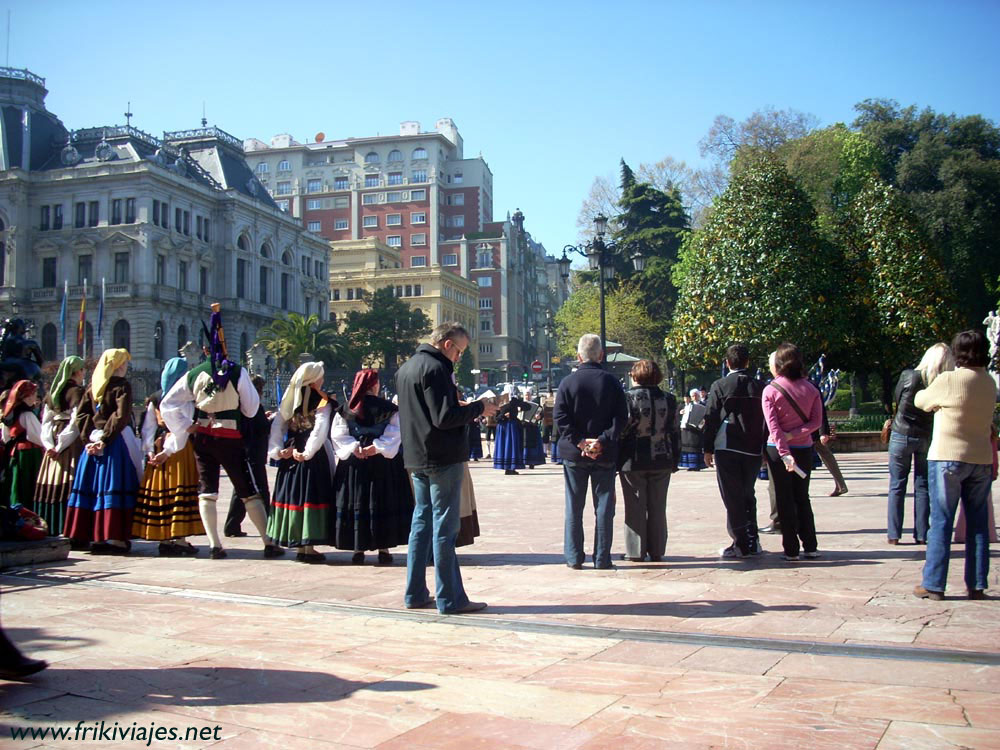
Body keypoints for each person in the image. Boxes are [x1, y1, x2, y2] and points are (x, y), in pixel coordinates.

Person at [160, 304, 283, 561]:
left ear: (205, 349)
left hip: (203, 437)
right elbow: (251, 410)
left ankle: (215, 545)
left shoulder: (193, 374)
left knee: (207, 489)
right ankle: (268, 542)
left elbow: (168, 404)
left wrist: (186, 425)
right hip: (230, 438)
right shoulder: (237, 372)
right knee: (247, 489)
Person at [397, 322, 497, 614]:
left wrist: (461, 405)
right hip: (442, 457)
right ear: (447, 344)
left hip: (417, 456)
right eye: (460, 351)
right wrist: (480, 408)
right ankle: (450, 597)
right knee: (444, 528)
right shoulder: (438, 368)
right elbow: (443, 417)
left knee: (421, 524)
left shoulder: (407, 368)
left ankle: (415, 592)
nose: (459, 358)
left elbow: (427, 412)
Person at [913, 329, 995, 601]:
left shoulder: (949, 380)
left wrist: (939, 404)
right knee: (978, 524)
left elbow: (920, 401)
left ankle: (934, 583)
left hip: (947, 457)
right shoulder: (990, 383)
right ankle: (977, 583)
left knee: (941, 521)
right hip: (981, 458)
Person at [555, 333, 628, 570]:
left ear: (578, 357)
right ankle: (602, 557)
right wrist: (602, 441)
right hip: (604, 453)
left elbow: (560, 418)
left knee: (574, 506)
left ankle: (574, 556)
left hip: (575, 454)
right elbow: (621, 418)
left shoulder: (567, 383)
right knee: (604, 506)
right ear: (601, 355)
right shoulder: (612, 382)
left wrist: (580, 443)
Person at [63, 348, 142, 554]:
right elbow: (121, 415)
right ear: (117, 366)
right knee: (114, 485)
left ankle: (89, 535)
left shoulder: (93, 387)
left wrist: (90, 437)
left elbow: (81, 415)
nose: (126, 367)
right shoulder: (121, 386)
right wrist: (105, 439)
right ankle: (113, 538)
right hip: (114, 443)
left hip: (94, 444)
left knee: (93, 487)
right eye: (123, 363)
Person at [331, 368, 412, 565]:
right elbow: (395, 434)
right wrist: (376, 448)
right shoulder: (389, 409)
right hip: (382, 464)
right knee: (381, 501)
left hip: (355, 465)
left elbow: (338, 434)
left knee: (357, 501)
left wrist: (355, 448)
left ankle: (358, 548)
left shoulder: (346, 409)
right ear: (374, 385)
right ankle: (383, 549)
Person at [131, 358, 204, 556]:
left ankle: (164, 536)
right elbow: (185, 428)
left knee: (163, 492)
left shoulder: (155, 397)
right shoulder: (186, 398)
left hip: (159, 445)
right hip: (179, 449)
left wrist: (149, 451)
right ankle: (178, 539)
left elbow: (148, 428)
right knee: (179, 490)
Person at [265, 362, 335, 563]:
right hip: (311, 456)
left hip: (291, 454)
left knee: (295, 495)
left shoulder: (289, 400)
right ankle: (308, 546)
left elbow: (277, 426)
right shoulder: (322, 401)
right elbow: (320, 429)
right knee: (310, 495)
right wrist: (309, 451)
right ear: (314, 380)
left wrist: (278, 451)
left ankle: (300, 546)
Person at [702, 344, 768, 559]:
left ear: (727, 362)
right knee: (748, 493)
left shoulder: (720, 385)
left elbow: (711, 417)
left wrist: (707, 448)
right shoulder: (760, 386)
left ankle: (740, 543)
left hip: (727, 445)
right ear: (747, 362)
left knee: (732, 496)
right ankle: (752, 539)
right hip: (753, 446)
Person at [887, 343, 953, 545]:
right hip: (926, 435)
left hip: (901, 432)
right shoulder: (943, 382)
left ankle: (894, 534)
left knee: (897, 485)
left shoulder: (909, 376)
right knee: (923, 485)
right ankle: (922, 533)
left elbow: (897, 398)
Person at [762, 344, 823, 561]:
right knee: (802, 497)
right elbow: (817, 422)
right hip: (803, 447)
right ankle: (811, 545)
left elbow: (773, 426)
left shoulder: (770, 390)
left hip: (777, 451)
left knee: (784, 498)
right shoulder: (812, 388)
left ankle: (791, 548)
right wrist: (796, 434)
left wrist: (783, 449)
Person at [618, 359, 679, 563]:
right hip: (662, 457)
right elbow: (674, 430)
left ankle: (635, 551)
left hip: (633, 458)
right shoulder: (669, 398)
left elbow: (624, 428)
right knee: (658, 505)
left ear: (636, 376)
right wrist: (675, 458)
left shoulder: (628, 398)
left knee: (635, 505)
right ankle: (657, 549)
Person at [33, 356, 85, 535]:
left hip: (54, 441)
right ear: (77, 372)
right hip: (69, 445)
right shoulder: (77, 392)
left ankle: (52, 525)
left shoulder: (51, 394)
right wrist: (61, 445)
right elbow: (76, 422)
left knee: (51, 479)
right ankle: (67, 526)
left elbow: (45, 422)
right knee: (68, 481)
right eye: (82, 370)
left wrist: (49, 444)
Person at [224, 374, 271, 538]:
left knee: (242, 489)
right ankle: (270, 526)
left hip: (251, 452)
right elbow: (258, 428)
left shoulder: (247, 405)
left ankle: (232, 525)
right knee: (261, 490)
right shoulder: (251, 405)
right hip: (252, 453)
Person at [0, 381, 44, 511]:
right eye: (34, 393)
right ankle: (27, 512)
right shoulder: (28, 415)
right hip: (29, 454)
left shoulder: (10, 414)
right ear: (27, 396)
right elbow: (38, 436)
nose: (36, 397)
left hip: (15, 453)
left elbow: (6, 437)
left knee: (16, 482)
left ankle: (15, 509)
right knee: (28, 484)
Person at [493, 385, 526, 475]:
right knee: (508, 446)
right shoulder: (500, 402)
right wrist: (504, 416)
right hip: (506, 427)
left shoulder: (514, 401)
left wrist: (520, 406)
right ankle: (508, 467)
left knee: (510, 446)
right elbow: (496, 417)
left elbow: (527, 407)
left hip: (510, 426)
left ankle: (511, 467)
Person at [679, 389, 707, 470]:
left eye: (696, 395)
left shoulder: (704, 405)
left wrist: (702, 424)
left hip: (698, 430)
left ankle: (697, 465)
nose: (694, 397)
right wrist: (681, 413)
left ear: (698, 396)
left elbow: (706, 416)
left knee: (697, 447)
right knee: (687, 447)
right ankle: (689, 465)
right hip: (688, 429)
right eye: (692, 396)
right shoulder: (687, 406)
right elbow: (683, 416)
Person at [521, 389, 546, 469]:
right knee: (523, 444)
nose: (527, 396)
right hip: (523, 427)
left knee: (532, 445)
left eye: (529, 395)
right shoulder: (520, 405)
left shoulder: (536, 405)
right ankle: (523, 461)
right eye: (526, 395)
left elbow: (541, 414)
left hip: (532, 427)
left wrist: (539, 417)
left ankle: (532, 462)